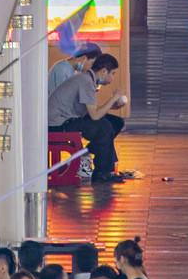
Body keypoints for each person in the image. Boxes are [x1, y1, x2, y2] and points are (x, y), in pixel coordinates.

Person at [48, 52, 129, 182]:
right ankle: (101, 172)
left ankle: (97, 156)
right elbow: (95, 115)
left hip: (69, 119)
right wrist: (114, 97)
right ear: (103, 71)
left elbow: (93, 111)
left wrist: (112, 106)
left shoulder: (87, 79)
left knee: (116, 122)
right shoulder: (86, 82)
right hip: (58, 124)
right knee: (104, 127)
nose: (112, 78)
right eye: (112, 74)